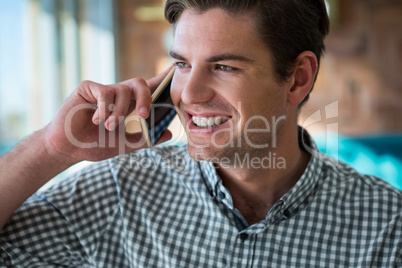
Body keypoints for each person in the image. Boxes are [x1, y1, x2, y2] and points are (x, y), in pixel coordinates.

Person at [1, 0, 401, 267]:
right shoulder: (118, 192)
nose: (188, 94)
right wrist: (51, 149)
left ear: (297, 79)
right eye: (181, 64)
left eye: (224, 67)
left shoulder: (387, 227)